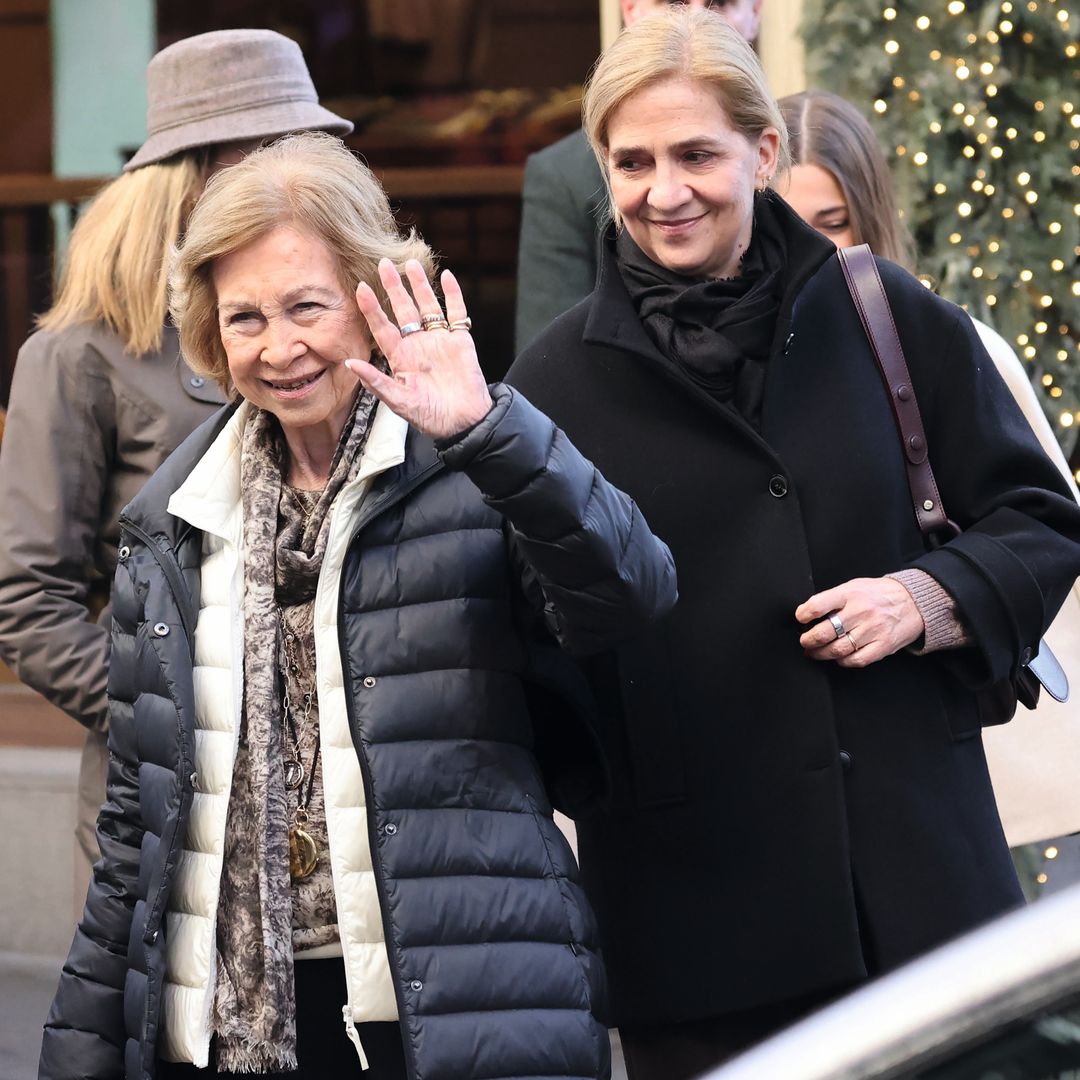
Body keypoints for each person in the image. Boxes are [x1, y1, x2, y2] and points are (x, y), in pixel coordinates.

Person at [505, 9, 1080, 1079]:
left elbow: (1041, 517)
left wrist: (928, 598)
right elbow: (522, 641)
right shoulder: (550, 384)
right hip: (701, 929)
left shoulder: (887, 313)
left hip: (919, 899)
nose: (662, 190)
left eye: (695, 155)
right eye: (631, 161)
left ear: (763, 153)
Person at [38, 131, 676, 1080]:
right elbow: (139, 836)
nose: (279, 347)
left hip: (456, 1008)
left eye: (307, 306)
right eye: (245, 317)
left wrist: (490, 434)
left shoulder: (476, 464)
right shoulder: (172, 524)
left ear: (375, 298)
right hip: (229, 1028)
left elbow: (630, 596)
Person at [0, 29, 352, 910]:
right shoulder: (79, 353)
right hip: (167, 800)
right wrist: (164, 722)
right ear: (195, 172)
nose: (301, 168)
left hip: (337, 787)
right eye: (276, 146)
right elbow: (29, 599)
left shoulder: (330, 321)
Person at [777, 87, 1080, 883]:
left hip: (988, 771)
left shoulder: (946, 342)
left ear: (867, 218)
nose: (807, 247)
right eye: (782, 219)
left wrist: (929, 599)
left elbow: (1045, 531)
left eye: (831, 222)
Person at [514, 0, 763, 353]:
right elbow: (545, 364)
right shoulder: (563, 175)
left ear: (765, 156)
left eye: (717, 3)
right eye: (631, 163)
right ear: (629, 10)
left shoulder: (807, 149)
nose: (692, 18)